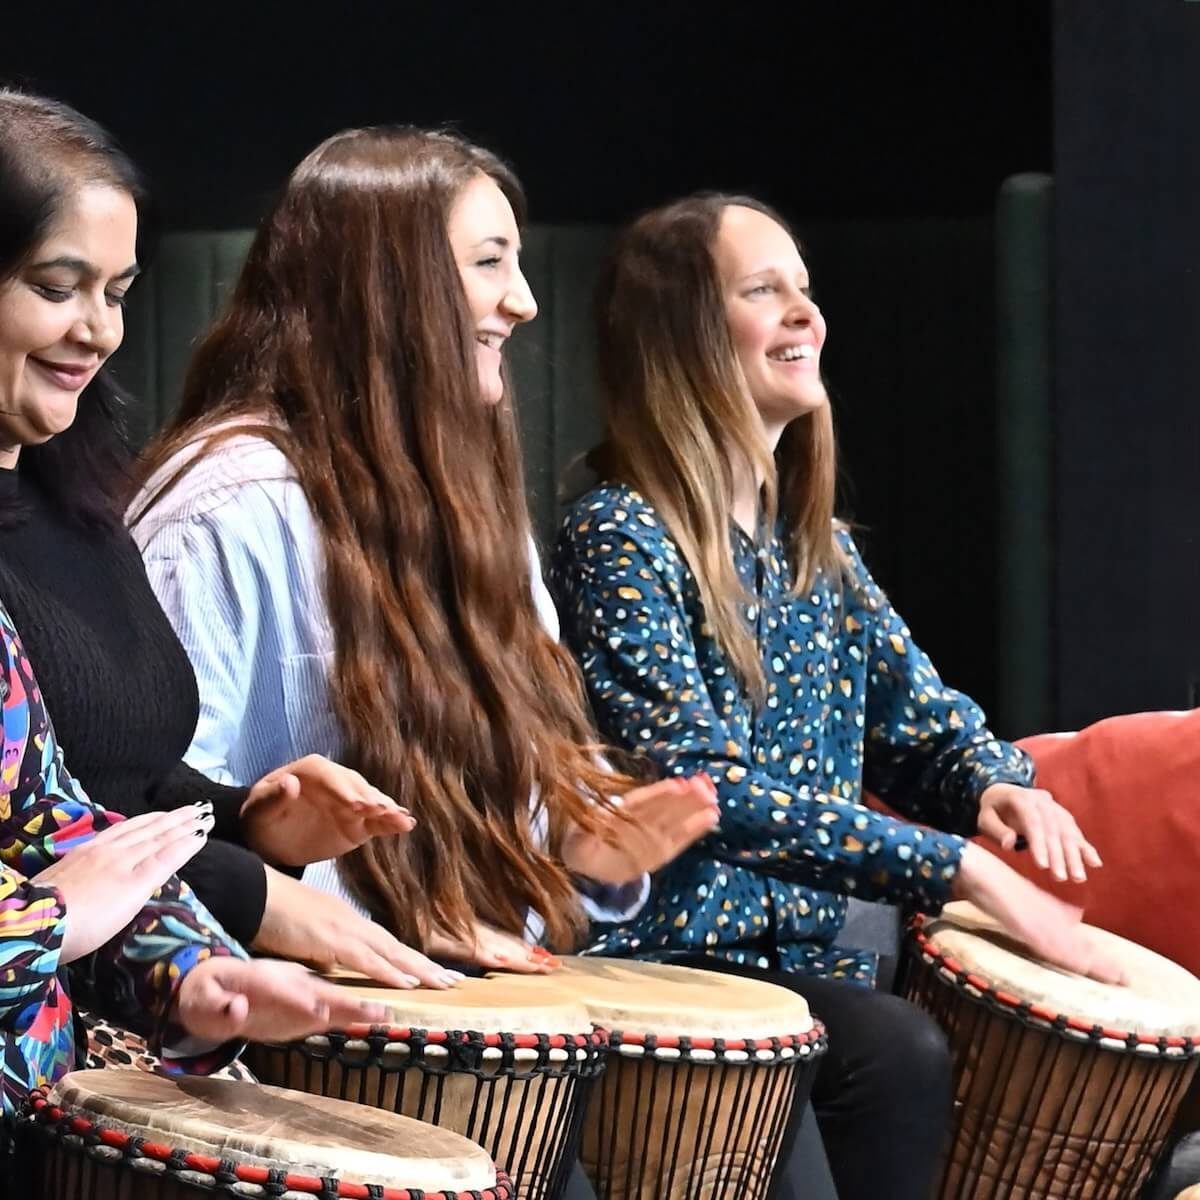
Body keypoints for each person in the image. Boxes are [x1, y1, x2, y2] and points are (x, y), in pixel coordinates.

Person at [549, 193, 1120, 1200]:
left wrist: (988, 784)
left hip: (804, 971)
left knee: (898, 1050)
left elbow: (923, 720)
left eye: (804, 290)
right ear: (681, 334)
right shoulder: (621, 536)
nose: (807, 314)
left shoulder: (819, 554)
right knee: (889, 1048)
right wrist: (961, 871)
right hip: (676, 969)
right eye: (764, 290)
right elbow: (703, 787)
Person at [126, 126, 719, 971]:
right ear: (386, 288)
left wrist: (589, 850)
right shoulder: (228, 510)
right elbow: (152, 831)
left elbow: (512, 806)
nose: (524, 301)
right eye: (489, 262)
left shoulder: (476, 510)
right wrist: (384, 914)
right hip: (280, 1033)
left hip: (464, 995)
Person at [0, 89, 451, 992]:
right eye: (57, 288)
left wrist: (249, 819)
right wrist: (244, 896)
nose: (98, 330)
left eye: (117, 294)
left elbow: (116, 783)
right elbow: (49, 849)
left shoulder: (76, 494)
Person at [0, 592, 392, 1126]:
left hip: (36, 1107)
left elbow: (33, 810)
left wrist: (185, 966)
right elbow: (63, 903)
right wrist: (40, 924)